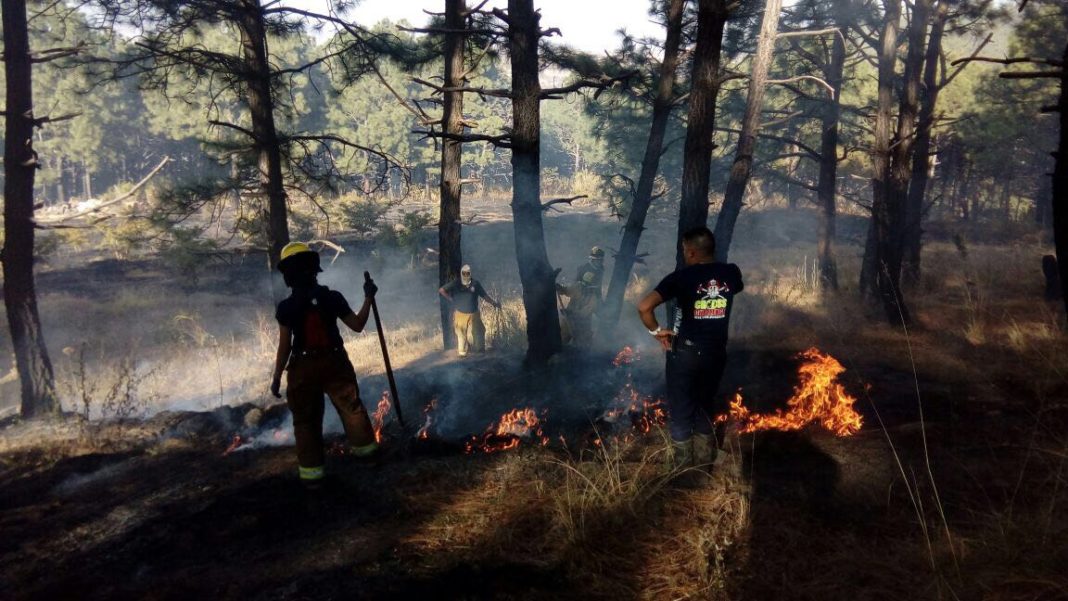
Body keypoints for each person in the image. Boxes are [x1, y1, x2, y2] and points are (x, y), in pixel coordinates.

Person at [270, 242, 380, 486]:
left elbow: (285, 346)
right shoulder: (332, 298)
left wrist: (277, 376)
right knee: (352, 411)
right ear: (314, 270)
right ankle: (370, 459)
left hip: (302, 368)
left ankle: (313, 478)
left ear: (288, 276)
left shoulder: (286, 308)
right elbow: (358, 325)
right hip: (335, 362)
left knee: (306, 421)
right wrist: (369, 298)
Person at [637, 227, 744, 472]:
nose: (684, 254)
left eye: (685, 250)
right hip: (716, 353)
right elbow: (734, 287)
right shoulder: (731, 273)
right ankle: (705, 461)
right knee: (706, 402)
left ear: (693, 252)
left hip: (684, 354)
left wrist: (657, 332)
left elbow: (644, 307)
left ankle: (683, 469)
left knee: (682, 406)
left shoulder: (680, 277)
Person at [439, 264, 501, 357]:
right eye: (463, 274)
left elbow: (485, 296)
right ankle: (462, 354)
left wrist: (494, 303)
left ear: (470, 274)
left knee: (479, 331)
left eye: (467, 274)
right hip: (460, 313)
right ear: (461, 274)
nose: (465, 276)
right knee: (461, 334)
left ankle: (480, 351)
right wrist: (451, 299)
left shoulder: (475, 284)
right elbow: (442, 290)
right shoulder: (456, 283)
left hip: (474, 313)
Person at [557, 246, 605, 346]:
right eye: (597, 261)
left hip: (581, 323)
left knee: (583, 343)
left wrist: (572, 315)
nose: (599, 263)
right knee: (562, 338)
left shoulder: (593, 298)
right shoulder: (578, 286)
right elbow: (567, 291)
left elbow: (586, 312)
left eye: (600, 260)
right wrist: (559, 288)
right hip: (569, 318)